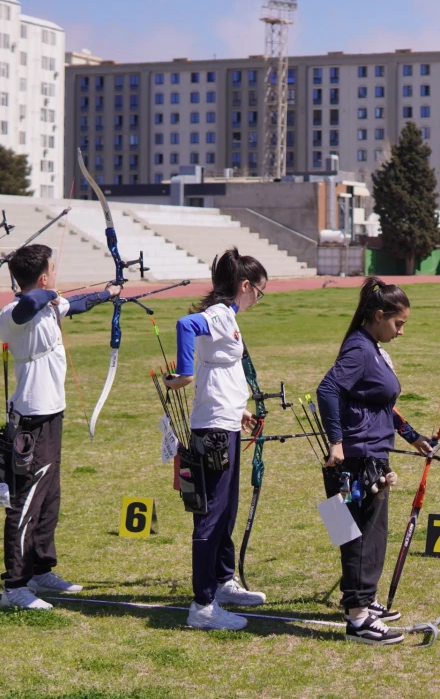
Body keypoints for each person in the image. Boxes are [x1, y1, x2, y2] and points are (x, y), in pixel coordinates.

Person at [0, 244, 117, 610]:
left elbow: (75, 304)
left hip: (52, 414)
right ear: (44, 277)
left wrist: (108, 293)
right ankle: (14, 586)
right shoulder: (13, 312)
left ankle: (40, 569)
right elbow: (29, 305)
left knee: (50, 496)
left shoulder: (48, 304)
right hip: (30, 417)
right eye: (52, 271)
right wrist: (46, 292)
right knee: (26, 500)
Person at [317, 278, 434, 645]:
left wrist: (412, 435)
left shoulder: (370, 346)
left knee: (365, 534)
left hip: (367, 455)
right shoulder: (360, 348)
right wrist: (336, 442)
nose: (401, 332)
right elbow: (327, 389)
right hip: (355, 459)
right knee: (357, 537)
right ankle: (358, 619)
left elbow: (381, 401)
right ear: (378, 315)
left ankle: (362, 600)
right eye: (398, 324)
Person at [165, 248, 270, 631]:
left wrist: (237, 408)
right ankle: (203, 605)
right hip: (212, 431)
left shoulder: (228, 319)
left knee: (226, 509)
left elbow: (221, 371)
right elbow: (184, 325)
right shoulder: (220, 316)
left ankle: (223, 582)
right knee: (210, 515)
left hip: (224, 423)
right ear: (244, 286)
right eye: (258, 292)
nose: (257, 299)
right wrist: (185, 373)